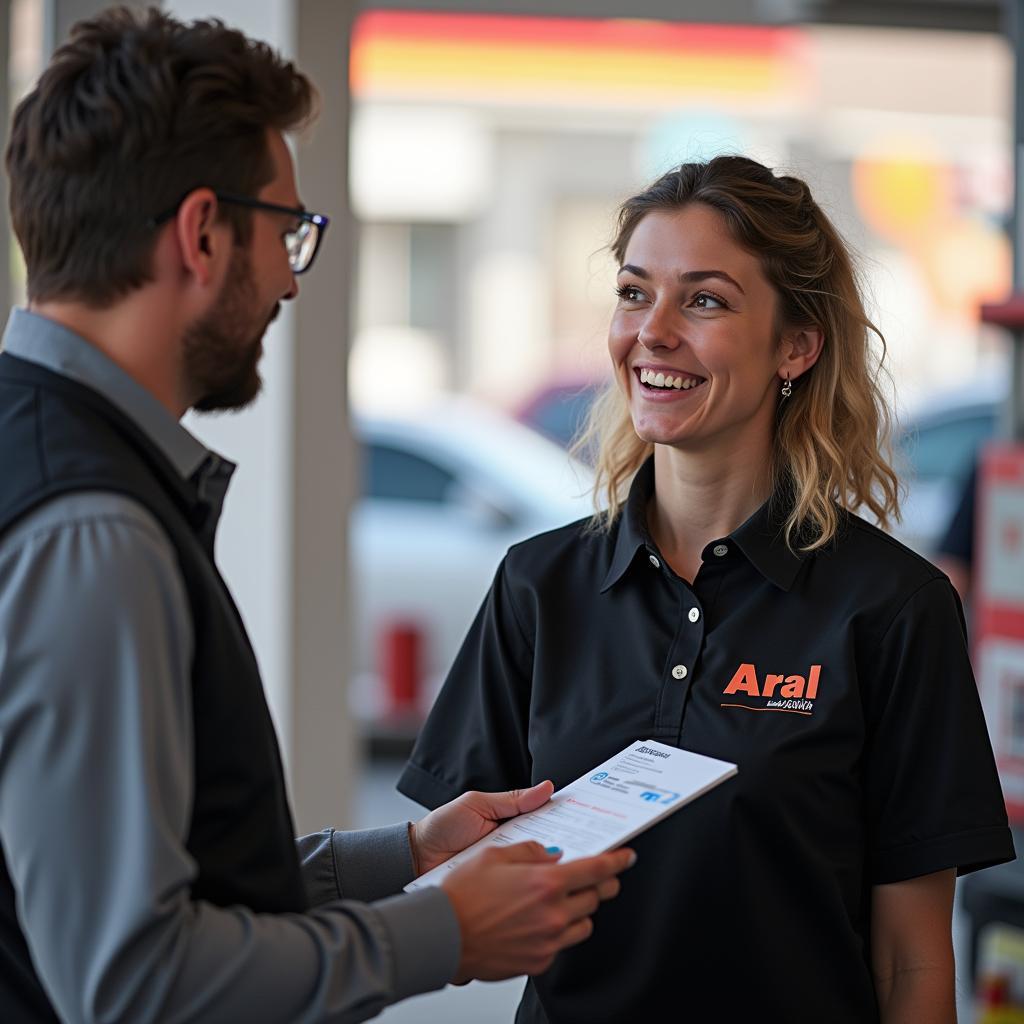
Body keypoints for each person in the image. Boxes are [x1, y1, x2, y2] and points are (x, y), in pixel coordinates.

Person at [0, 8, 636, 1024]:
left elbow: (153, 878)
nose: (294, 279)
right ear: (202, 233)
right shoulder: (94, 529)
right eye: (285, 231)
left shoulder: (55, 464)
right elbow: (133, 981)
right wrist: (446, 933)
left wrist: (414, 854)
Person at [399, 156, 1016, 1023]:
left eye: (706, 300)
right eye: (633, 292)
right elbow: (444, 884)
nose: (652, 331)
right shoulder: (538, 586)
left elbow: (912, 962)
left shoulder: (892, 607)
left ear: (797, 346)